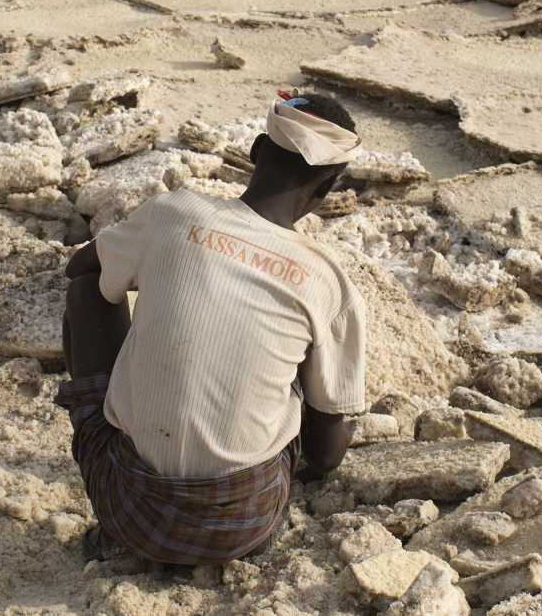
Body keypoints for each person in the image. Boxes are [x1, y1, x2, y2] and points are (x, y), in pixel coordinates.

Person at [58, 93, 368, 567]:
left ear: (257, 150)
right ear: (327, 189)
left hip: (128, 508)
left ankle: (120, 466)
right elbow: (326, 457)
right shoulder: (328, 281)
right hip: (245, 523)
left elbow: (82, 267)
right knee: (300, 383)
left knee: (88, 293)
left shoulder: (174, 213)